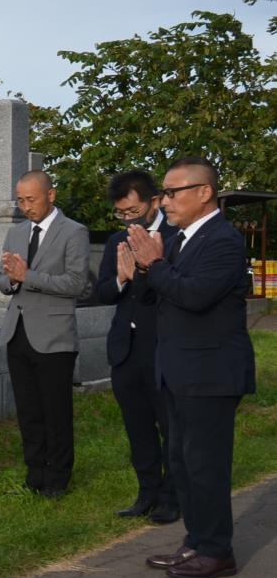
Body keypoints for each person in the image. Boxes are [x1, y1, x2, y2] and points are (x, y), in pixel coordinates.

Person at [129, 156, 255, 578]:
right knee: (181, 461)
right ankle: (197, 541)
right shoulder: (181, 239)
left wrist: (156, 265)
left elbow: (196, 295)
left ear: (204, 192)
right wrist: (140, 271)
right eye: (163, 192)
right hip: (180, 370)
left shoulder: (223, 240)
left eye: (173, 192)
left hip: (211, 372)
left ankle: (218, 551)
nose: (164, 201)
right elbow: (160, 296)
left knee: (205, 464)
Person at [0, 170, 90, 497]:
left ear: (51, 195)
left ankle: (58, 477)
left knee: (56, 411)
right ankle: (34, 472)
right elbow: (2, 279)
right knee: (29, 410)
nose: (26, 206)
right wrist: (11, 279)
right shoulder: (16, 232)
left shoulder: (74, 232)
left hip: (54, 335)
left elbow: (78, 284)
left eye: (31, 199)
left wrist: (29, 276)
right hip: (18, 332)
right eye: (21, 200)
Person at [94, 170, 179, 523]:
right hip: (124, 348)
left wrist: (146, 271)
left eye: (132, 210)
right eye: (121, 213)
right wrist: (121, 277)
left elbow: (173, 291)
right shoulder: (117, 240)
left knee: (170, 427)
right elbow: (100, 291)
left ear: (153, 201)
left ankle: (172, 496)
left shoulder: (176, 237)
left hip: (162, 348)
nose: (127, 218)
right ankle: (146, 493)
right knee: (137, 426)